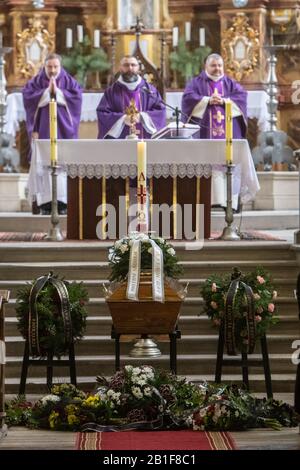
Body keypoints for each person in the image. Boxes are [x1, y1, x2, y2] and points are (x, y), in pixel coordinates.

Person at [181, 53, 248, 209]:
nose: (217, 69)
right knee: (208, 164)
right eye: (213, 65)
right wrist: (206, 100)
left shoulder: (230, 83)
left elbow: (242, 97)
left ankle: (229, 202)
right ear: (206, 66)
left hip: (229, 133)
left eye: (219, 65)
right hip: (205, 134)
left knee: (229, 165)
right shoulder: (196, 83)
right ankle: (209, 200)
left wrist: (225, 101)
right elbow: (187, 99)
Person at [23, 53, 82, 214]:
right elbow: (28, 98)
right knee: (44, 168)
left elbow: (76, 99)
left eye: (56, 66)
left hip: (64, 132)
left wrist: (59, 93)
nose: (53, 70)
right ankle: (45, 204)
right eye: (49, 67)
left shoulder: (70, 82)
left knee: (62, 168)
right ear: (44, 66)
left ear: (60, 66)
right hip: (42, 133)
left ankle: (63, 204)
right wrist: (46, 93)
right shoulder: (35, 82)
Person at [96, 55, 166, 139]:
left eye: (133, 65)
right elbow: (103, 113)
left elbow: (160, 111)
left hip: (146, 141)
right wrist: (123, 119)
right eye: (126, 65)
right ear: (120, 68)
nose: (130, 68)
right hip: (119, 144)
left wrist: (142, 117)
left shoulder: (149, 91)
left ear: (138, 68)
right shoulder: (111, 92)